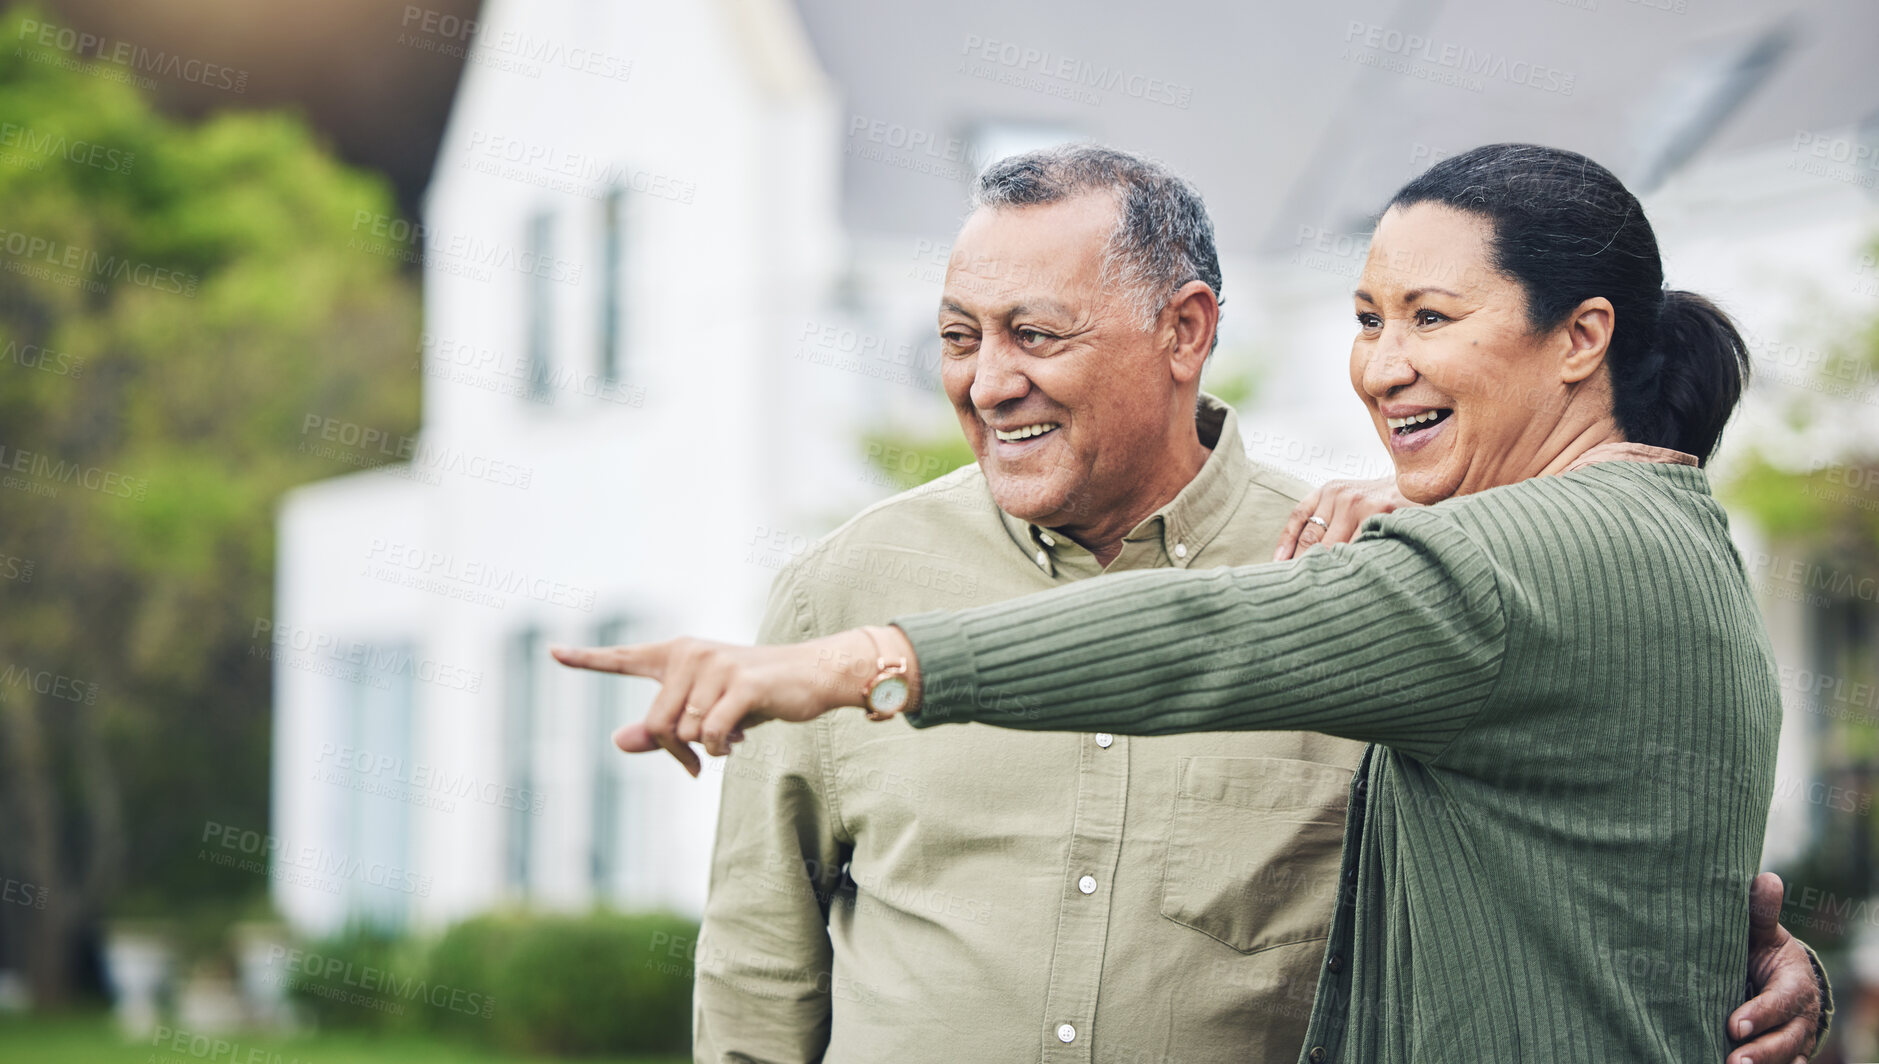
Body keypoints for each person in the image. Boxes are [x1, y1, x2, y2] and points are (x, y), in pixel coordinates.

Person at [556, 144, 1831, 1063]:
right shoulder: (837, 579)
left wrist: (868, 664)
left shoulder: (1371, 570)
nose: (989, 381)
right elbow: (757, 968)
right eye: (958, 337)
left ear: (1185, 330)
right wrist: (1724, 944)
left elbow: (1211, 641)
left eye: (1036, 335)